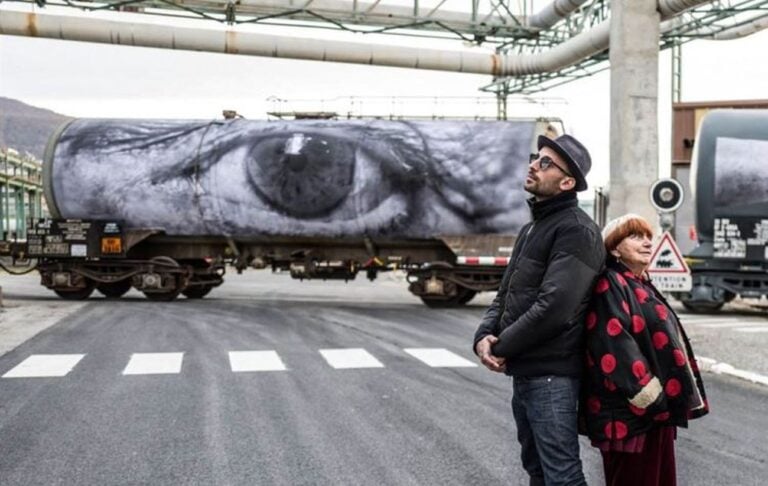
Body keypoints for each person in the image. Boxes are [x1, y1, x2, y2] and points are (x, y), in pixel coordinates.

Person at [473, 134, 605, 486]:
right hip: (526, 372)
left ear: (567, 182)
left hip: (552, 375)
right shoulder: (531, 228)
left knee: (562, 476)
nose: (533, 164)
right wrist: (483, 336)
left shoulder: (577, 231)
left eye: (545, 162)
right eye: (536, 157)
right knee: (538, 471)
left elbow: (555, 307)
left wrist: (500, 347)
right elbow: (505, 293)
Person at [582, 213, 709, 486]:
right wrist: (651, 396)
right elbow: (614, 346)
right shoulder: (610, 283)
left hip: (654, 414)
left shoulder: (640, 282)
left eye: (648, 237)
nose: (647, 243)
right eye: (635, 236)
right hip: (630, 415)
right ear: (614, 248)